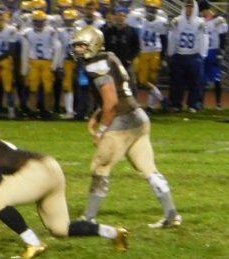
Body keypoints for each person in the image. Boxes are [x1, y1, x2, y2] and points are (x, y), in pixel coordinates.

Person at [71, 26, 181, 229]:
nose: (78, 49)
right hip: (138, 116)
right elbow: (121, 89)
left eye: (81, 45)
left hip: (122, 121)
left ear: (93, 44)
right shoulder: (110, 56)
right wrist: (98, 113)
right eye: (76, 45)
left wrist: (102, 129)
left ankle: (88, 218)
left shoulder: (96, 65)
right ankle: (171, 214)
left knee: (100, 166)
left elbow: (111, 101)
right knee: (148, 169)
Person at [0, 135, 128, 254]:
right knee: (60, 229)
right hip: (49, 166)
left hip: (36, 173)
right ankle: (114, 233)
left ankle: (33, 243)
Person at [167, 0, 205, 112]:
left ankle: (193, 104)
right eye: (188, 7)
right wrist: (170, 53)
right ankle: (176, 104)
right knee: (177, 82)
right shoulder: (177, 21)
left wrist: (202, 55)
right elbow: (172, 37)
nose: (189, 9)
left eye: (191, 7)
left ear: (195, 8)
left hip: (194, 55)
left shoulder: (200, 22)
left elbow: (203, 39)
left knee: (195, 82)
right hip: (179, 55)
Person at [21, 9, 60, 117]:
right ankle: (32, 110)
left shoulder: (50, 31)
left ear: (44, 21)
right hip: (33, 61)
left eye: (41, 21)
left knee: (48, 88)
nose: (39, 23)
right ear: (33, 21)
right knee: (32, 88)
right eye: (36, 21)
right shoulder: (27, 32)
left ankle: (47, 110)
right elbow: (25, 50)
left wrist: (54, 65)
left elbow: (57, 47)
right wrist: (25, 69)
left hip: (47, 61)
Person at [0, 8, 20, 118]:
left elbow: (12, 49)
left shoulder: (11, 29)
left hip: (5, 60)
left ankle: (11, 110)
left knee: (8, 87)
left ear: (6, 19)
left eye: (1, 18)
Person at [201, 2, 227, 109]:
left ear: (207, 9)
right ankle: (200, 103)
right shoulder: (201, 20)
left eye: (202, 11)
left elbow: (223, 37)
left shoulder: (219, 20)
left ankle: (218, 103)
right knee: (202, 78)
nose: (201, 13)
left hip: (213, 51)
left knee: (217, 78)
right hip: (203, 51)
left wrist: (221, 51)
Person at [103, 7, 139, 76]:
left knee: (130, 82)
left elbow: (137, 47)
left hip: (126, 63)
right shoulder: (108, 31)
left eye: (123, 16)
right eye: (118, 15)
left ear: (126, 17)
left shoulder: (132, 31)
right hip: (112, 62)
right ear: (115, 17)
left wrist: (129, 59)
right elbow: (104, 45)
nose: (120, 18)